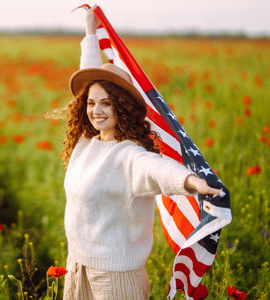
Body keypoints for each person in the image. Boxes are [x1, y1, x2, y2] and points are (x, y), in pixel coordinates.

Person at [61, 7, 222, 300]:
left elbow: (158, 170)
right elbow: (87, 77)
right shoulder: (86, 142)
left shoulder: (129, 155)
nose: (96, 111)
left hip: (115, 280)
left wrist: (193, 182)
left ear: (121, 107)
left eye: (107, 104)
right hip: (76, 269)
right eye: (92, 103)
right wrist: (89, 31)